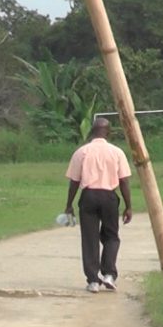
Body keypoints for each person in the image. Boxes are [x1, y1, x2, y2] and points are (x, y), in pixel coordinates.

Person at [64, 118, 133, 293]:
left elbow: (74, 182)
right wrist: (128, 206)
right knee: (111, 236)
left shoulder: (82, 152)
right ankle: (109, 274)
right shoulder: (116, 152)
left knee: (90, 238)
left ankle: (93, 280)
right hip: (109, 196)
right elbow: (123, 181)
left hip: (88, 196)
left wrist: (69, 204)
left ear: (92, 131)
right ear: (108, 132)